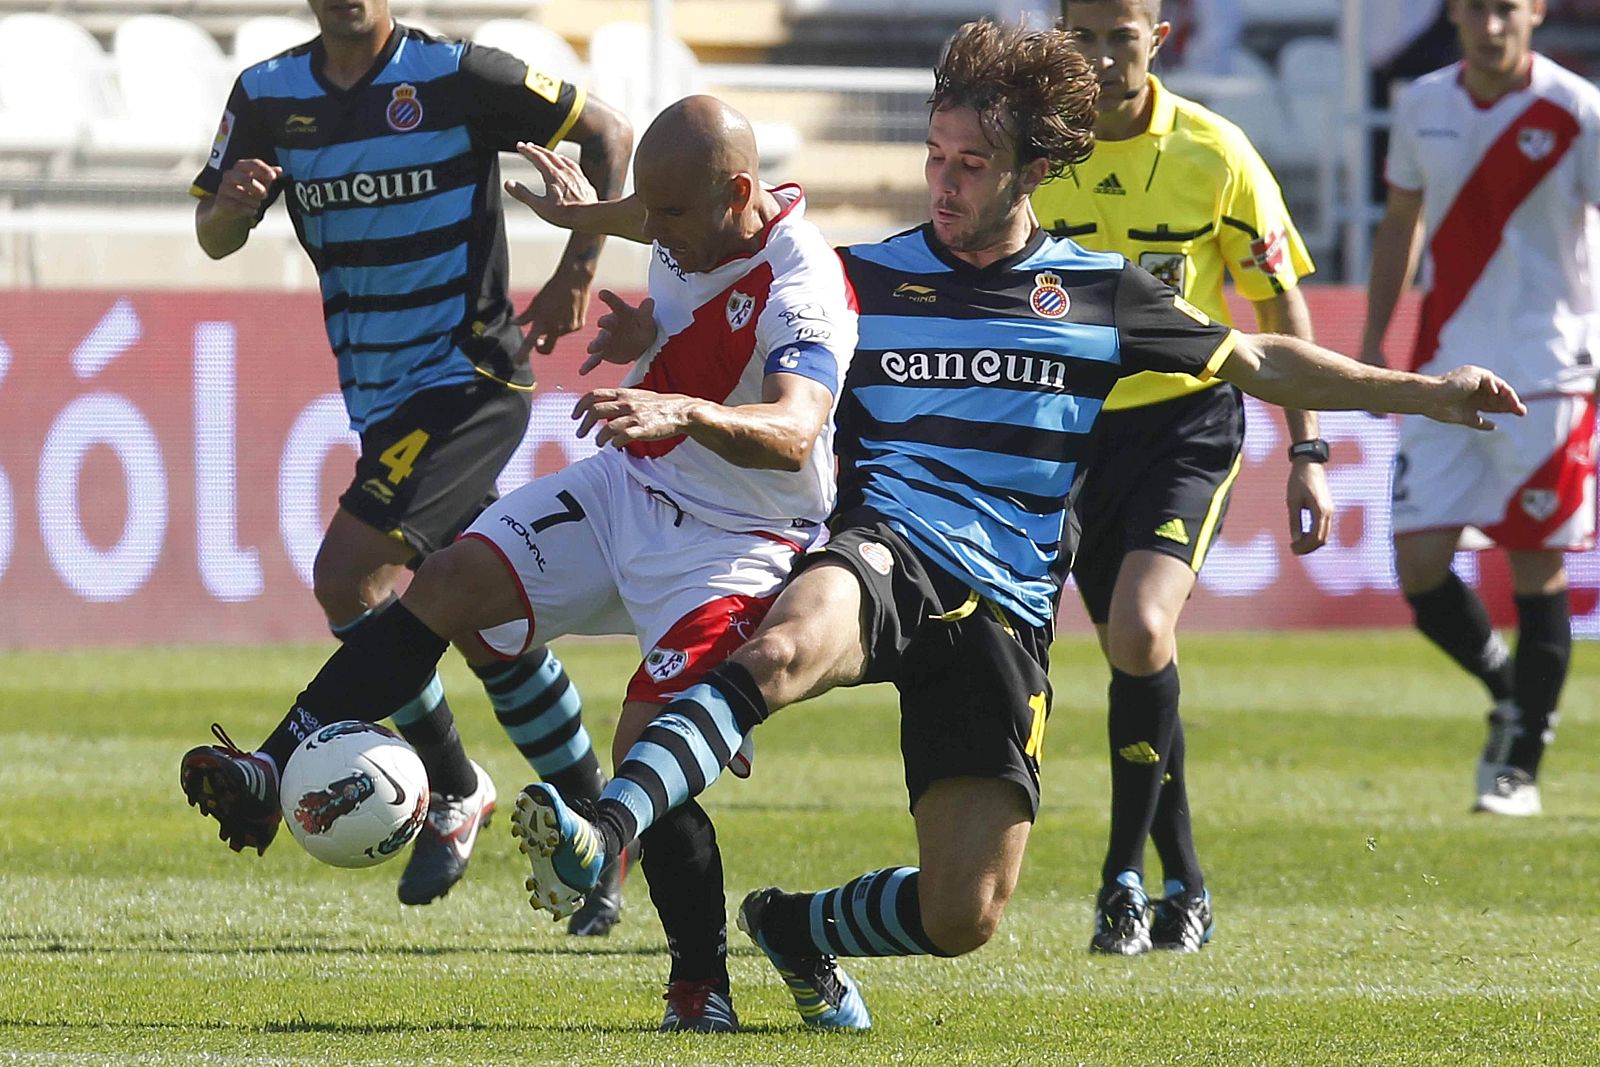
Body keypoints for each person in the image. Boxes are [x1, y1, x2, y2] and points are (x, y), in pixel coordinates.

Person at [509, 19, 1524, 1030]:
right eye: (934, 158)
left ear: (1031, 168)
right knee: (784, 644)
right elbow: (722, 232)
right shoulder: (859, 276)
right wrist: (618, 253)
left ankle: (794, 925)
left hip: (1002, 605)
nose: (943, 184)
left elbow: (1264, 363)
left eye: (971, 164)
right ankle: (606, 828)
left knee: (963, 914)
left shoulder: (1098, 292)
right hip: (886, 548)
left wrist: (1423, 392)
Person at [184, 94, 858, 1033]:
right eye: (649, 211)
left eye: (668, 216)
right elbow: (638, 217)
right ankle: (272, 767)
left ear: (735, 194)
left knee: (645, 751)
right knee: (452, 580)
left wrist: (682, 407)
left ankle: (700, 988)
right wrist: (592, 239)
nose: (652, 231)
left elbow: (794, 431)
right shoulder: (685, 209)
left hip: (738, 538)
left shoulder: (803, 282)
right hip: (632, 484)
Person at [178, 0, 638, 933]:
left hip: (472, 378)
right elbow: (214, 235)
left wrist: (576, 270)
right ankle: (599, 834)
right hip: (381, 401)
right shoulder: (265, 95)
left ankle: (331, 767)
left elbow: (609, 134)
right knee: (481, 616)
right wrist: (227, 213)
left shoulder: (460, 75)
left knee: (347, 570)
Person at [1029, 0, 1331, 955]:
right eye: (1085, 37)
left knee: (1141, 625)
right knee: (1135, 653)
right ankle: (1186, 882)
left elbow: (1279, 300)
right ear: (1059, 40)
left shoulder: (1215, 151)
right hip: (1074, 432)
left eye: (1123, 37)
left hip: (1188, 422)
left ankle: (1121, 876)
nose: (1105, 57)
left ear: (1157, 41)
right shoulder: (1036, 155)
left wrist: (1309, 452)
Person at [1359, 0, 1599, 817]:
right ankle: (1510, 688)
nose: (1491, 26)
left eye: (1507, 9)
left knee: (1535, 562)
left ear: (1533, 12)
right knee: (1419, 564)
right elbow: (1401, 221)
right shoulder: (1423, 101)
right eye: (1476, 10)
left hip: (1551, 369)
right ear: (1454, 15)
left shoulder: (1577, 108)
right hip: (1446, 369)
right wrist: (1371, 336)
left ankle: (1519, 765)